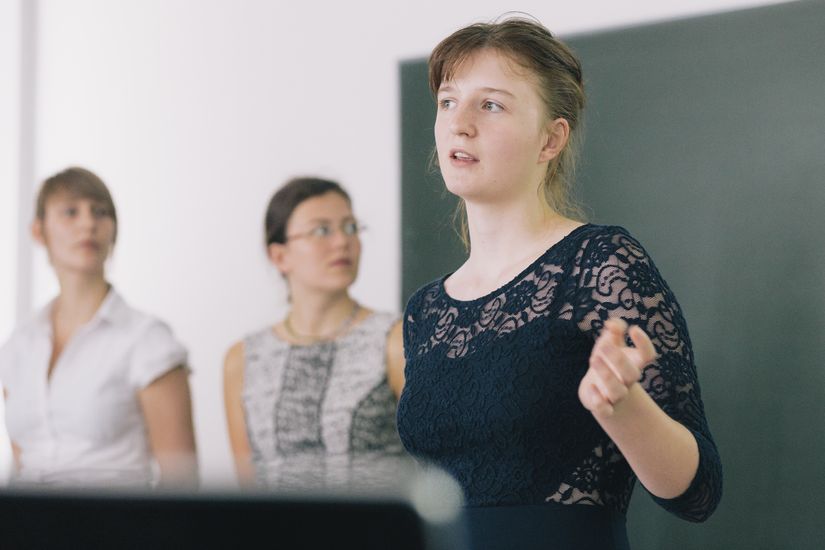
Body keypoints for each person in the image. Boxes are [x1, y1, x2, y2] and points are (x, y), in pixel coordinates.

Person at [396, 17, 722, 550]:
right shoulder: (426, 310)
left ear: (551, 138)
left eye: (492, 104)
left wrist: (625, 408)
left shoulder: (599, 263)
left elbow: (698, 492)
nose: (460, 123)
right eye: (449, 101)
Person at [0, 166, 198, 488]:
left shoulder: (148, 340)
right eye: (70, 212)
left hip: (114, 530)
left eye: (100, 212)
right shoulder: (17, 346)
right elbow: (24, 463)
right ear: (39, 231)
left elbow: (182, 482)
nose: (88, 223)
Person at [223, 177, 407, 489]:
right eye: (322, 230)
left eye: (350, 227)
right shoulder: (243, 359)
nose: (341, 242)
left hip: (377, 534)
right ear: (279, 256)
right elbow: (248, 490)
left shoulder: (395, 339)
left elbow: (432, 465)